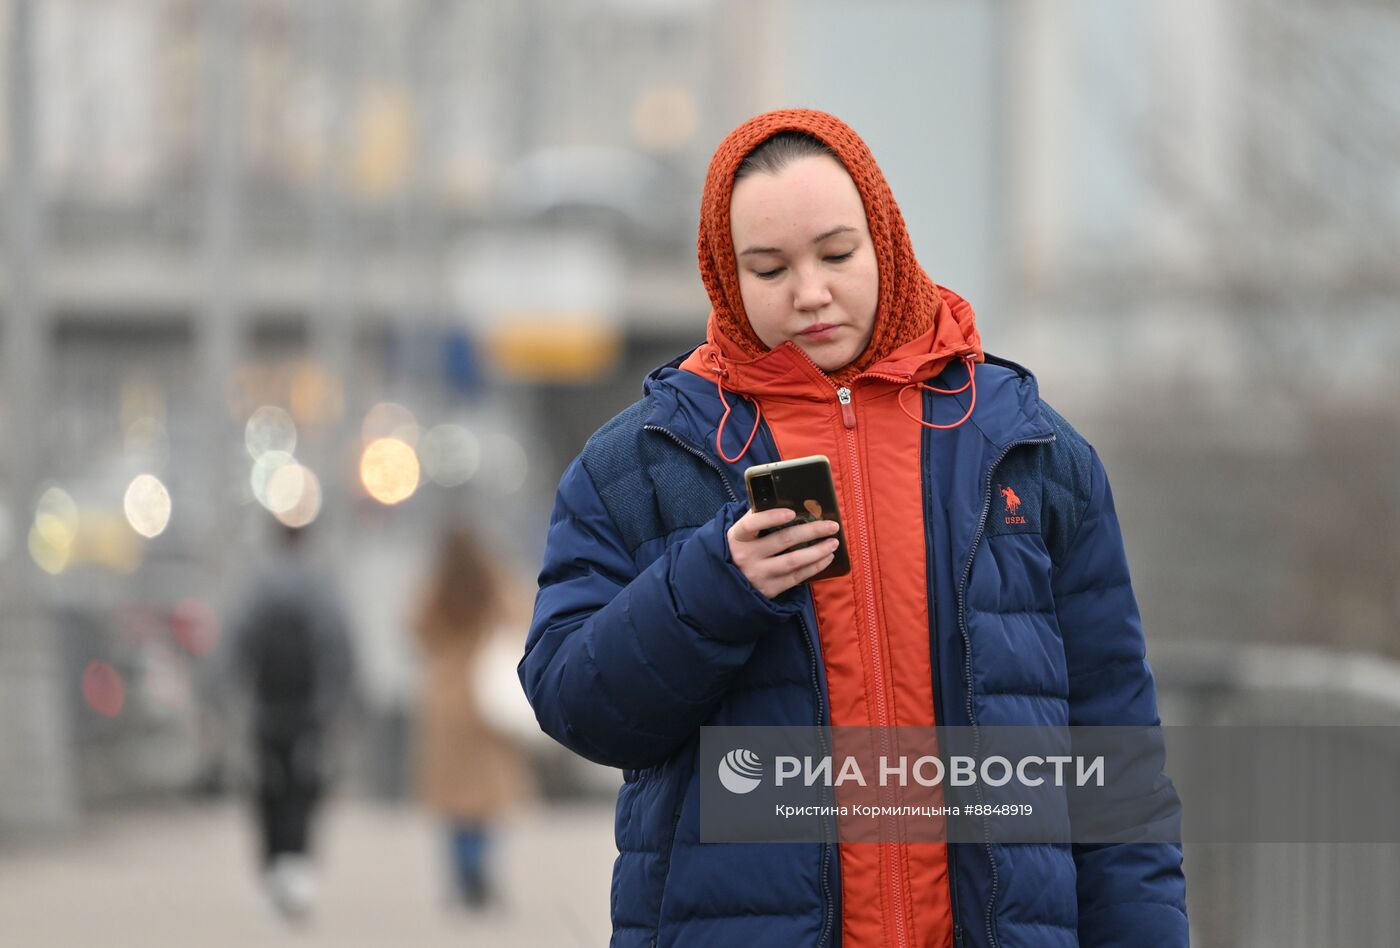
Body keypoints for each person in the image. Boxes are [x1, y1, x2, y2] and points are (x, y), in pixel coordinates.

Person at [521, 110, 1187, 947]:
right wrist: (713, 587)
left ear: (886, 241)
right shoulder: (642, 463)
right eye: (770, 269)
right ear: (725, 280)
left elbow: (1116, 755)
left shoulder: (1030, 449)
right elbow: (576, 704)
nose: (810, 293)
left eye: (837, 254)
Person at [223, 521, 355, 923]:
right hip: (309, 710)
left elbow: (234, 644)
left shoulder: (256, 584)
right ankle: (297, 871)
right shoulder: (321, 585)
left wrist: (226, 703)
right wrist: (338, 705)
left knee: (267, 791)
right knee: (304, 789)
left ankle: (271, 872)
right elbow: (340, 647)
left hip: (265, 709)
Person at [410, 526, 531, 911]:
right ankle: (479, 870)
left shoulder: (436, 586)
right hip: (486, 701)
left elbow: (414, 627)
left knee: (453, 800)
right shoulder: (491, 582)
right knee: (486, 797)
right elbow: (520, 614)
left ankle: (462, 875)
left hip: (446, 701)